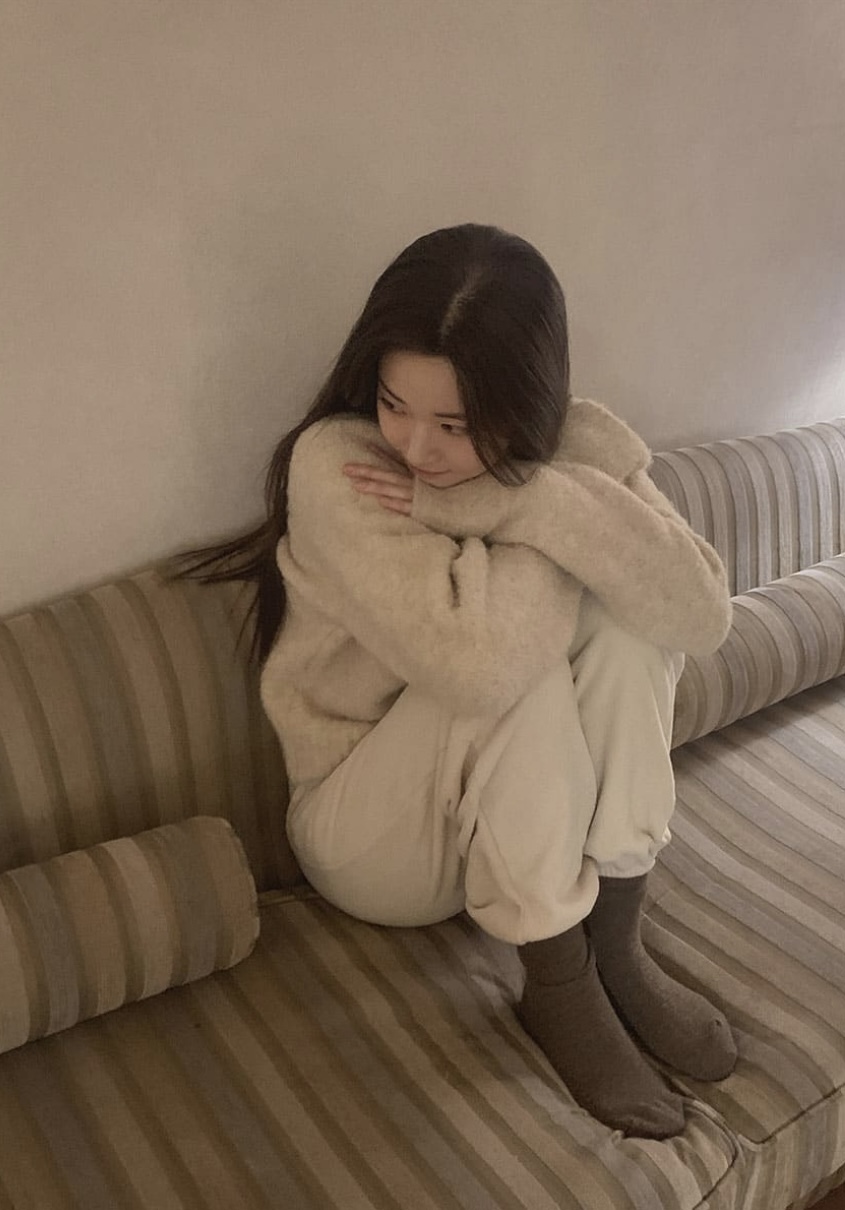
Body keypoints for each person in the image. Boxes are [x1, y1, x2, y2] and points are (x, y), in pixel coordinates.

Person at [173, 222, 737, 1139]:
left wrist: (524, 496)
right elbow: (480, 668)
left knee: (631, 628)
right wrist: (560, 522)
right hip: (371, 836)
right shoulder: (341, 466)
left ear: (529, 403)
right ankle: (558, 985)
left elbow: (701, 613)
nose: (416, 450)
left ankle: (615, 947)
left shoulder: (577, 446)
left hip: (506, 824)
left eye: (458, 425)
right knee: (514, 670)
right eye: (395, 403)